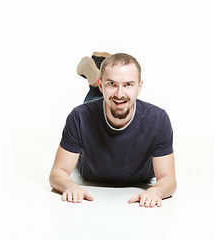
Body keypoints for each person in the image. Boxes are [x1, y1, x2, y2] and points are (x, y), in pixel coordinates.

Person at [49, 52, 176, 208]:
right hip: (97, 111)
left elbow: (169, 180)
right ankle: (96, 80)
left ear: (139, 86)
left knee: (116, 101)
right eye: (111, 84)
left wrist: (156, 191)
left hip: (109, 102)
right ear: (102, 85)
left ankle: (102, 70)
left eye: (129, 84)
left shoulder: (158, 120)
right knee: (99, 101)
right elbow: (57, 172)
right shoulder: (79, 117)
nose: (120, 93)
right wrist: (69, 186)